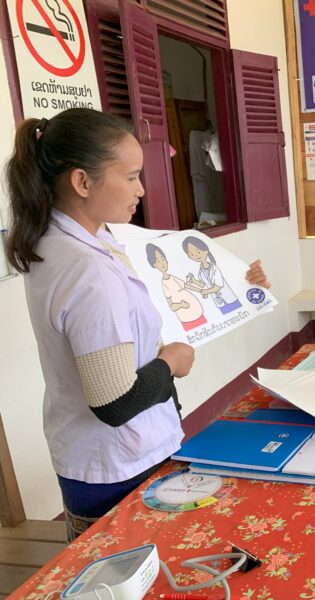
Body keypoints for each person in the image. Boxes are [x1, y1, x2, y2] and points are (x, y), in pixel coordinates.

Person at [4, 108, 270, 540]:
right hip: (118, 463)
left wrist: (243, 283)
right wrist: (171, 362)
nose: (142, 189)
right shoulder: (87, 270)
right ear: (82, 182)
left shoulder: (80, 235)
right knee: (136, 568)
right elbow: (115, 404)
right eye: (130, 177)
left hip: (98, 455)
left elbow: (173, 270)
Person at [145, 243, 207, 331]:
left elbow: (186, 285)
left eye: (163, 259)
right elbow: (171, 306)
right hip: (187, 317)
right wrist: (181, 304)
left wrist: (200, 291)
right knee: (196, 331)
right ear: (154, 265)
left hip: (197, 311)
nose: (162, 263)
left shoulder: (172, 277)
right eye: (158, 261)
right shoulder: (164, 284)